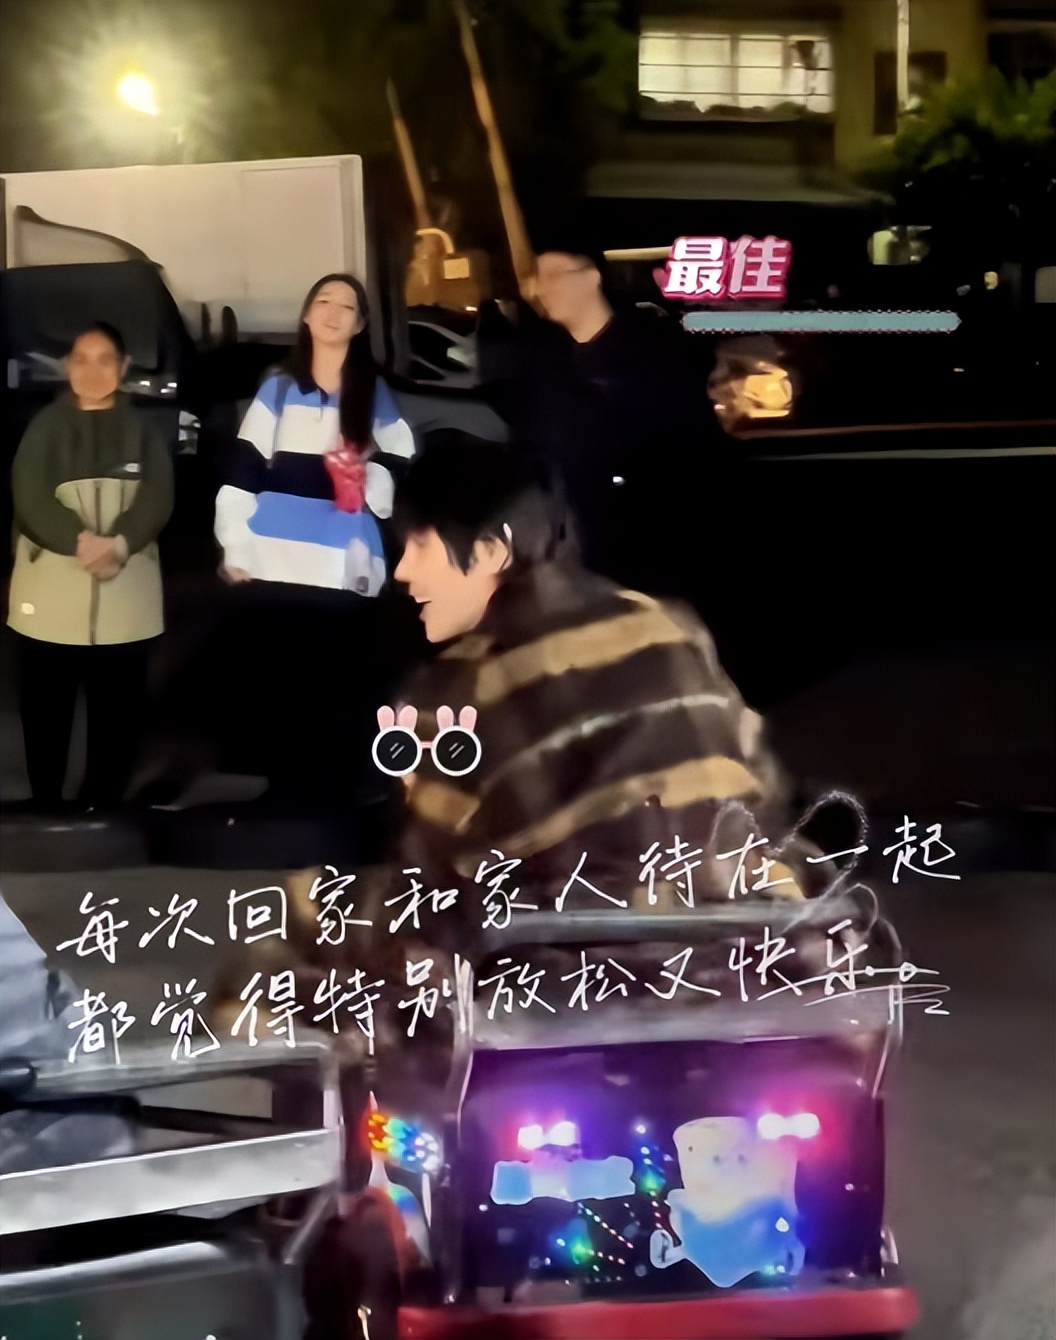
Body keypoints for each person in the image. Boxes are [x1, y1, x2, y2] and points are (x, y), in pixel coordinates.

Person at [213, 436, 861, 1339]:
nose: (403, 572)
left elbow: (431, 883)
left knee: (293, 942)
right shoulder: (669, 626)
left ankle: (314, 1220)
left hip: (572, 980)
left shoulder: (465, 684)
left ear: (491, 551)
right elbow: (761, 791)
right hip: (747, 956)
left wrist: (327, 931)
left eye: (419, 545)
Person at [212, 274, 422, 808]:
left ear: (361, 323)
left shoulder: (372, 395)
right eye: (323, 301)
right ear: (306, 315)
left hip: (343, 567)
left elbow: (402, 458)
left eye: (346, 306)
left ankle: (337, 803)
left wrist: (368, 479)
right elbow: (242, 473)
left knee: (341, 687)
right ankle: (286, 803)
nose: (332, 312)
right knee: (282, 687)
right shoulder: (279, 390)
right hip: (276, 563)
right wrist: (235, 546)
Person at [480, 232, 721, 600]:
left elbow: (687, 458)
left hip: (642, 550)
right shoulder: (545, 363)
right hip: (570, 554)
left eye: (554, 275)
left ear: (592, 277)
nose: (541, 289)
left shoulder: (654, 359)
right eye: (537, 278)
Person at [7, 322, 174, 812]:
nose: (93, 370)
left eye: (105, 359)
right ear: (67, 367)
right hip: (51, 599)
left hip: (126, 599)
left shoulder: (143, 432)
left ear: (123, 367)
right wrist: (80, 543)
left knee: (117, 711)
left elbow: (158, 496)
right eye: (82, 359)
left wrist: (120, 543)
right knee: (46, 708)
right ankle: (46, 805)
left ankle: (105, 807)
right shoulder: (44, 428)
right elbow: (28, 494)